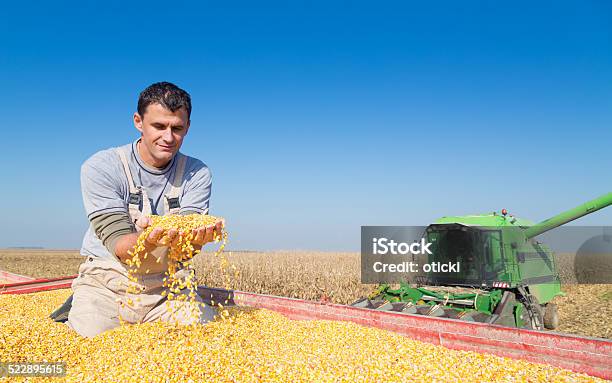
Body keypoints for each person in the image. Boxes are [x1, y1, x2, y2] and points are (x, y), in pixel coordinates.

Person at [56, 82, 223, 338]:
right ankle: (79, 303)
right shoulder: (103, 166)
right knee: (90, 338)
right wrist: (148, 240)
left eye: (177, 128)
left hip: (168, 286)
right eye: (159, 126)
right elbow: (120, 245)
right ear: (138, 121)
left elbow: (187, 246)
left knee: (206, 334)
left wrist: (197, 240)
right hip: (109, 281)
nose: (168, 137)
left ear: (187, 127)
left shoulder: (196, 173)